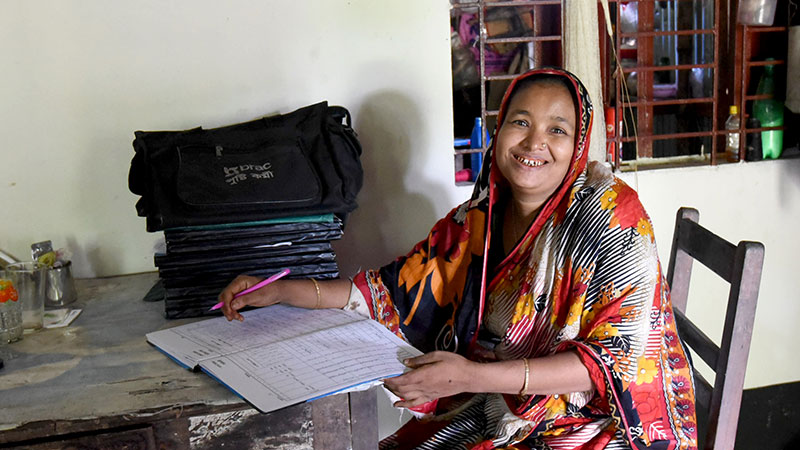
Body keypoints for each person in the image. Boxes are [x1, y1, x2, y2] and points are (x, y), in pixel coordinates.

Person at [219, 68, 698, 449]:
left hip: (597, 425)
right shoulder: (476, 221)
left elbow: (611, 367)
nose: (535, 143)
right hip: (502, 406)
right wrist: (281, 289)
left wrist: (467, 376)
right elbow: (386, 291)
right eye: (521, 121)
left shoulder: (611, 218)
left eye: (558, 129)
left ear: (579, 145)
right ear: (499, 129)